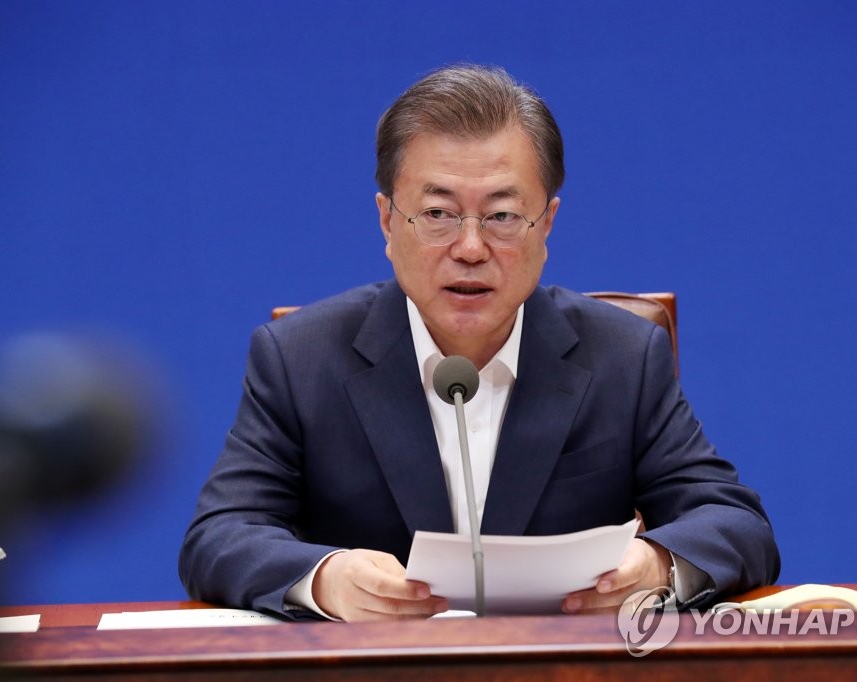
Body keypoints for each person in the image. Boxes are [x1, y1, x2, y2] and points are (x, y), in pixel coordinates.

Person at [179, 64, 779, 622]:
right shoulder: (300, 359)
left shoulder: (623, 357)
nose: (470, 248)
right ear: (388, 221)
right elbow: (220, 536)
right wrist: (326, 578)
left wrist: (655, 565)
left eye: (502, 216)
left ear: (546, 224)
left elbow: (734, 523)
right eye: (438, 214)